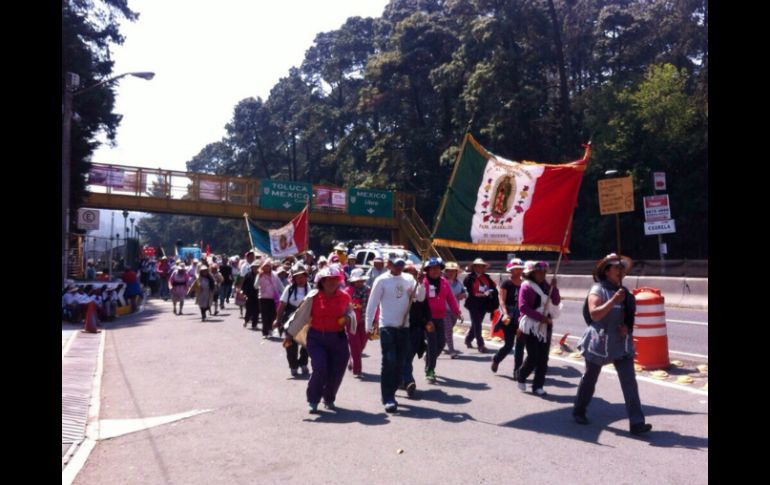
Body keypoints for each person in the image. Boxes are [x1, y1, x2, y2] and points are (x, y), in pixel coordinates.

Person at [573, 254, 652, 435]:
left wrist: (627, 328)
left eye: (621, 268)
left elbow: (630, 318)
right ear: (607, 271)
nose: (620, 270)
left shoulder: (626, 294)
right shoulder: (597, 290)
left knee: (630, 382)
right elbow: (594, 315)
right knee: (590, 379)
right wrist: (613, 301)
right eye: (616, 267)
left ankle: (637, 422)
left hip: (620, 344)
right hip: (598, 342)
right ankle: (579, 410)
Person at [285, 266, 355, 413]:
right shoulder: (313, 296)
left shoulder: (344, 296)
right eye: (327, 280)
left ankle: (329, 398)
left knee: (337, 370)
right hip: (317, 338)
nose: (331, 282)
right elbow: (301, 316)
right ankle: (313, 399)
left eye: (334, 279)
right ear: (321, 282)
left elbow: (351, 312)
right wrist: (290, 334)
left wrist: (348, 317)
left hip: (338, 338)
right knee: (320, 367)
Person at [365, 258, 426, 413]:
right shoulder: (381, 280)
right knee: (389, 361)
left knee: (399, 362)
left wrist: (421, 283)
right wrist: (368, 324)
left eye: (401, 265)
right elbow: (372, 303)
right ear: (389, 265)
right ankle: (388, 398)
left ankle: (392, 392)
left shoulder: (408, 279)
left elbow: (420, 297)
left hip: (404, 327)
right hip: (387, 327)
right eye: (395, 265)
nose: (398, 268)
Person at [516, 261, 561, 396]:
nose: (542, 275)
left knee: (543, 357)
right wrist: (540, 318)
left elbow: (556, 301)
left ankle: (538, 386)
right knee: (533, 356)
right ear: (532, 273)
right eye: (539, 272)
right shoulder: (526, 286)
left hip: (546, 325)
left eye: (544, 272)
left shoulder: (547, 286)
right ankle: (521, 375)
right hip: (531, 325)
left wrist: (555, 288)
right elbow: (523, 307)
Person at [422, 258, 461, 383]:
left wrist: (457, 312)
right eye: (432, 269)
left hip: (441, 317)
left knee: (441, 343)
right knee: (433, 345)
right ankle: (430, 371)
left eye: (438, 268)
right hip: (428, 319)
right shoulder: (423, 282)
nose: (435, 271)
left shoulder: (444, 282)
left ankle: (428, 358)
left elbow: (450, 298)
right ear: (427, 270)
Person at [274, 264, 312, 377]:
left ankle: (303, 363)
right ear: (293, 278)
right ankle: (293, 365)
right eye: (297, 277)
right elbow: (282, 305)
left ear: (306, 276)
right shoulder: (289, 289)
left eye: (302, 277)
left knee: (307, 344)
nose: (300, 280)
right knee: (290, 344)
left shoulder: (310, 288)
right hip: (290, 319)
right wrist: (277, 320)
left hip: (305, 319)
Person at [400, 261, 431, 398]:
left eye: (412, 272)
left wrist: (428, 321)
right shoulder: (397, 286)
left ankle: (406, 381)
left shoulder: (419, 287)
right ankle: (406, 380)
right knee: (401, 358)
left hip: (415, 328)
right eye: (407, 271)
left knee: (407, 357)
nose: (410, 274)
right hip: (398, 327)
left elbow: (423, 300)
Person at [491, 258, 526, 378]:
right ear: (511, 271)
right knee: (509, 344)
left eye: (520, 269)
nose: (518, 271)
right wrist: (505, 313)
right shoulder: (507, 283)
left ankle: (517, 371)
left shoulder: (525, 284)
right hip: (509, 316)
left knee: (520, 345)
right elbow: (501, 300)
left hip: (521, 316)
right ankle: (496, 359)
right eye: (515, 269)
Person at [463, 258, 497, 352]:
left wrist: (490, 292)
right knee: (477, 323)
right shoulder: (469, 278)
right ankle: (480, 345)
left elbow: (493, 287)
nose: (480, 268)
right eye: (478, 266)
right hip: (473, 303)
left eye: (482, 266)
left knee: (476, 323)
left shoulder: (486, 278)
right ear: (474, 267)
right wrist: (481, 294)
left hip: (483, 303)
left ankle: (468, 339)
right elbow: (469, 289)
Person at [343, 268, 370, 378]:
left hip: (365, 321)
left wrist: (375, 319)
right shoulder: (347, 291)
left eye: (361, 280)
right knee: (355, 346)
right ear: (353, 281)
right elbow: (343, 307)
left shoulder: (368, 290)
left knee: (362, 344)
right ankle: (357, 370)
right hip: (351, 322)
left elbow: (373, 305)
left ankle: (353, 359)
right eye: (357, 281)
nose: (360, 282)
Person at [442, 261, 466, 358]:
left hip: (455, 311)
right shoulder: (442, 282)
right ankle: (451, 350)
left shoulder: (458, 283)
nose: (451, 273)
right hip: (443, 310)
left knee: (448, 329)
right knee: (448, 330)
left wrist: (463, 295)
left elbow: (464, 292)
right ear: (445, 272)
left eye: (453, 271)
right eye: (449, 271)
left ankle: (439, 344)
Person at [256, 260, 284, 338]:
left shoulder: (275, 275)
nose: (266, 267)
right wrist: (259, 277)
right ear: (262, 267)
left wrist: (285, 293)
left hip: (273, 299)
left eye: (268, 266)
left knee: (273, 315)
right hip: (263, 298)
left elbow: (280, 285)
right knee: (265, 316)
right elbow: (255, 286)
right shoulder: (260, 275)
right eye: (265, 266)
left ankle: (270, 329)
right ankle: (265, 332)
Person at [241, 261, 260, 329]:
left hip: (258, 295)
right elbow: (244, 285)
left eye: (257, 267)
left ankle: (254, 324)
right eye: (254, 267)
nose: (256, 268)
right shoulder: (248, 275)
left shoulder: (261, 275)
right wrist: (244, 293)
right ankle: (246, 321)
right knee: (249, 309)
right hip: (249, 295)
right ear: (251, 268)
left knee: (257, 311)